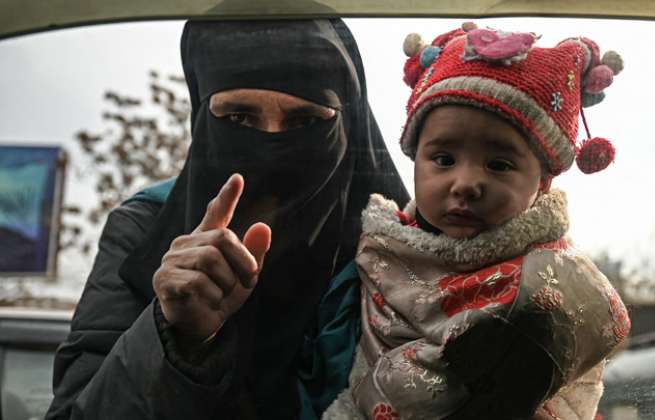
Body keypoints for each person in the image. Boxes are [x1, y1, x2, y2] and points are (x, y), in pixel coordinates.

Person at [46, 19, 409, 420]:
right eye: (239, 117)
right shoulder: (144, 228)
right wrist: (176, 336)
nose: (272, 146)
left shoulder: (399, 249)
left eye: (305, 121)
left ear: (347, 125)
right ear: (203, 119)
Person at [322, 24, 631, 420]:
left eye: (499, 165)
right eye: (444, 160)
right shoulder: (375, 254)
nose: (466, 184)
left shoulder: (554, 284)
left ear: (543, 182)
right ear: (414, 160)